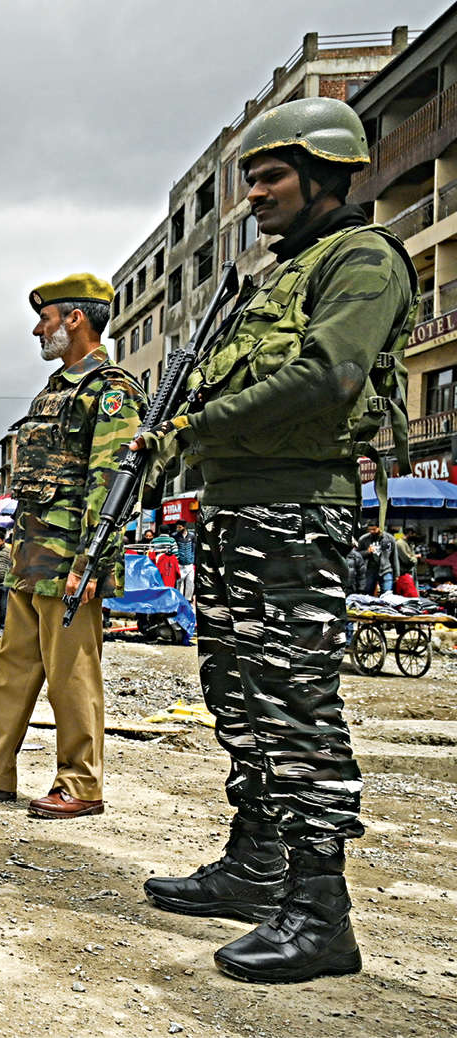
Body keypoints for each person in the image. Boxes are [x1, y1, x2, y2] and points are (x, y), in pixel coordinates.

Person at [135, 97, 417, 984]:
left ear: (326, 176)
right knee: (237, 696)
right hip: (238, 510)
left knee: (297, 708)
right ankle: (257, 865)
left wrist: (192, 429)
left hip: (297, 510)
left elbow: (328, 375)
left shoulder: (362, 259)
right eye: (251, 180)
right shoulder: (274, 278)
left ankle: (322, 912)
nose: (255, 195)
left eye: (272, 178)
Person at [0, 274, 142, 819]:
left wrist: (91, 561)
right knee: (12, 666)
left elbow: (111, 482)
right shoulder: (55, 389)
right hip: (31, 556)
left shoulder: (111, 390)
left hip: (71, 558)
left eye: (44, 319)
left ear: (75, 318)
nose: (37, 330)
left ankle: (80, 783)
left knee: (72, 672)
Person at [173, 521, 196, 600]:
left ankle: (188, 599)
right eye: (177, 527)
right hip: (180, 564)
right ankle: (179, 599)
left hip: (190, 563)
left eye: (179, 527)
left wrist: (193, 560)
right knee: (179, 582)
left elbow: (194, 549)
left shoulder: (192, 536)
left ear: (184, 527)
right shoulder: (175, 536)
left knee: (190, 582)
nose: (178, 529)